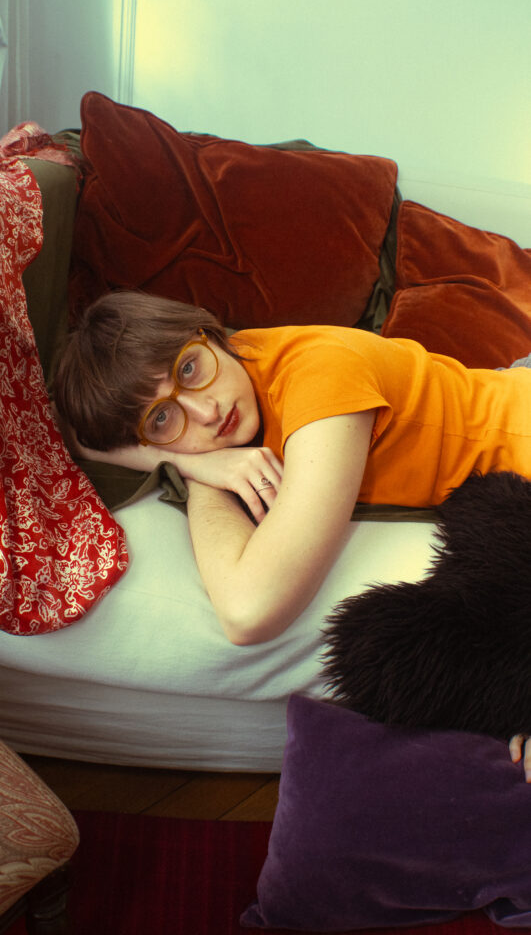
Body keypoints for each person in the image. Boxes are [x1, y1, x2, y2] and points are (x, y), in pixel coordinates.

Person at [53, 288, 531, 773]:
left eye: (189, 370)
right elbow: (72, 435)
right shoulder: (235, 366)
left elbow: (249, 612)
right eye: (162, 418)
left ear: (207, 331)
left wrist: (196, 477)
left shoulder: (322, 381)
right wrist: (195, 463)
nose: (206, 412)